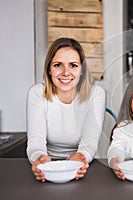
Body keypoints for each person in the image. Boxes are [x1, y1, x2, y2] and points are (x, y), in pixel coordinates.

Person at [26, 37, 106, 182]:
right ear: (49, 69)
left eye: (73, 65)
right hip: (49, 166)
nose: (66, 72)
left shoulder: (96, 94)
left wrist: (80, 158)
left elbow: (89, 143)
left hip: (86, 165)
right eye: (58, 65)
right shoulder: (37, 93)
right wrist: (39, 159)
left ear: (82, 70)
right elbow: (35, 142)